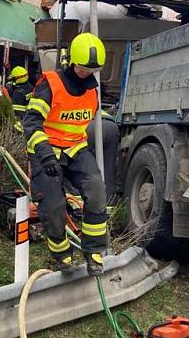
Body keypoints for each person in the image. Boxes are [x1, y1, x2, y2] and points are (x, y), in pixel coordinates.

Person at [23, 33, 108, 275]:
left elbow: (87, 119)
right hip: (46, 150)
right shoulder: (51, 84)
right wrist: (46, 154)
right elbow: (31, 122)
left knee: (96, 191)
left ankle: (93, 251)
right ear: (71, 61)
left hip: (76, 148)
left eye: (92, 70)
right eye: (82, 68)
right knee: (53, 206)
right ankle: (62, 254)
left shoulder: (93, 89)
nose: (86, 73)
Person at [87, 108, 120, 205]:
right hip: (111, 127)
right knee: (109, 169)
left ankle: (80, 207)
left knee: (79, 165)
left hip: (91, 125)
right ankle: (109, 205)